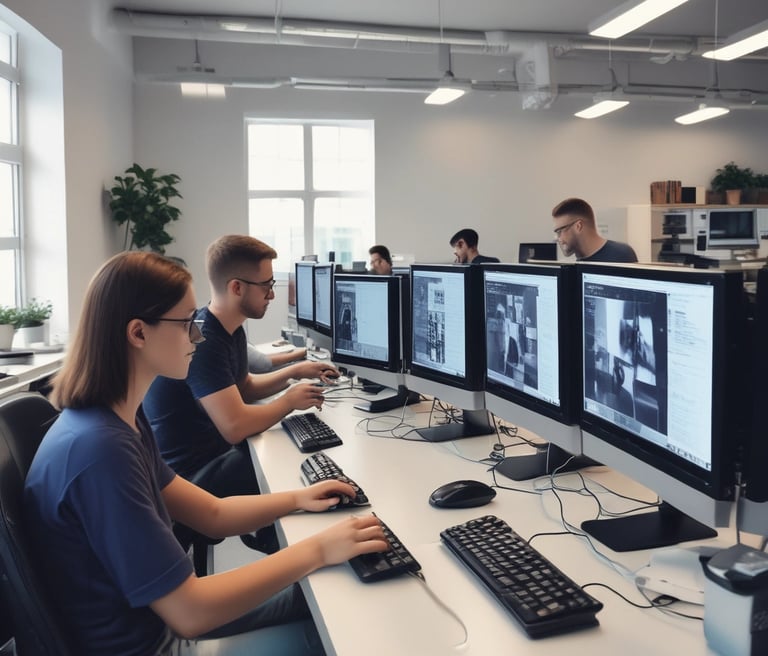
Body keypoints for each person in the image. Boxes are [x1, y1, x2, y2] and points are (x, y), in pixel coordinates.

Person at [23, 251, 387, 655]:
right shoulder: (100, 450)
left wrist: (299, 498)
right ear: (138, 333)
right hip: (161, 642)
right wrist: (319, 548)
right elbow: (191, 611)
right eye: (186, 325)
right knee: (344, 623)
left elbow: (211, 515)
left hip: (160, 626)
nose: (198, 336)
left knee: (319, 591)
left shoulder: (116, 421)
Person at [142, 235, 339, 550]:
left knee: (288, 455)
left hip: (207, 458)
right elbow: (234, 426)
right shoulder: (205, 337)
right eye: (266, 285)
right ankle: (291, 555)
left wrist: (294, 372)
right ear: (237, 288)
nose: (272, 294)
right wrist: (289, 402)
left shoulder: (226, 328)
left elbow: (243, 386)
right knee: (286, 465)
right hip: (190, 476)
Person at [551, 197, 638, 262]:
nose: (557, 238)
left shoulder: (622, 255)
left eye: (559, 231)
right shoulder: (573, 267)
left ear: (578, 226)